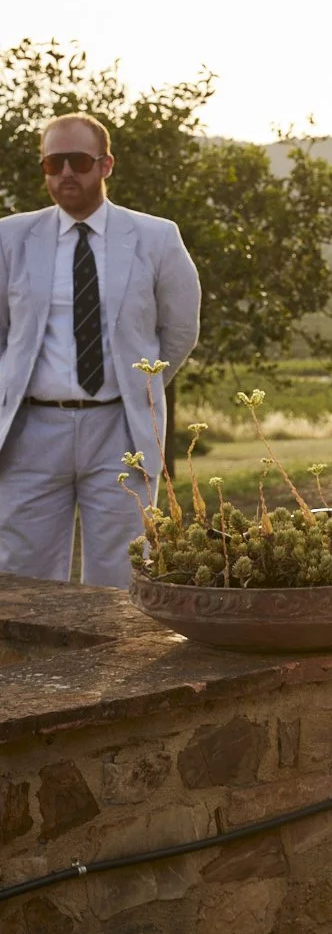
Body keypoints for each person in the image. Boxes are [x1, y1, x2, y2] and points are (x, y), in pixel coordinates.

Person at [0, 112, 201, 588]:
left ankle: (110, 665)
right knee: (19, 577)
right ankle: (24, 667)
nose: (66, 172)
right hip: (30, 432)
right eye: (53, 163)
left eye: (78, 160)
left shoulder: (157, 237)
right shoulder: (9, 237)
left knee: (124, 572)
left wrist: (140, 389)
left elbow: (178, 330)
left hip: (120, 431)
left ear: (106, 164)